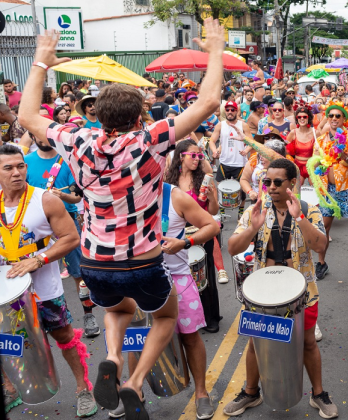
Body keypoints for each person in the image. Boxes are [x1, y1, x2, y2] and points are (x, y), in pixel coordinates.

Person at [18, 21, 225, 418]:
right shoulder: (149, 140)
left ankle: (112, 357)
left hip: (96, 261)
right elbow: (209, 101)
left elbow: (28, 115)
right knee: (165, 315)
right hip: (143, 260)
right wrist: (215, 49)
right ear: (139, 115)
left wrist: (41, 64)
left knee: (117, 310)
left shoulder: (77, 140)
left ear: (98, 114)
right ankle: (131, 381)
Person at [224, 159, 337, 418]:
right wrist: (252, 227)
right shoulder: (256, 209)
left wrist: (300, 218)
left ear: (292, 183)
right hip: (261, 292)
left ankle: (318, 394)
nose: (271, 187)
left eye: (277, 182)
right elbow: (232, 248)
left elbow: (320, 246)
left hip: (302, 290)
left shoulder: (309, 209)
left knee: (308, 343)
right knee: (255, 343)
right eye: (267, 182)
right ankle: (251, 393)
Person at [108, 181, 220, 419]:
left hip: (176, 279)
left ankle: (201, 393)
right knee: (135, 341)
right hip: (137, 281)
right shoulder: (121, 197)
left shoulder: (176, 197)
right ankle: (134, 392)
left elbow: (212, 225)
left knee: (190, 337)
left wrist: (185, 242)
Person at [0, 145, 97, 417]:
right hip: (7, 293)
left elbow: (71, 238)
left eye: (20, 166)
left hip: (44, 289)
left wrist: (38, 260)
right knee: (9, 343)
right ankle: (10, 389)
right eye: (8, 168)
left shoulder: (45, 200)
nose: (16, 172)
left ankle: (83, 389)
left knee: (64, 336)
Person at [24, 130, 101, 337]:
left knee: (78, 273)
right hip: (35, 226)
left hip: (66, 223)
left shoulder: (68, 161)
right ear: (32, 138)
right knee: (32, 273)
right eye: (37, 136)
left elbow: (77, 197)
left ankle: (88, 315)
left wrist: (62, 196)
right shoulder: (25, 162)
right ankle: (37, 325)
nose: (42, 140)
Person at [164, 139, 224, 332]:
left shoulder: (204, 179)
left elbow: (213, 211)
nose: (197, 159)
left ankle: (210, 317)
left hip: (201, 232)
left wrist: (213, 197)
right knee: (183, 276)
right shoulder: (169, 180)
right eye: (193, 155)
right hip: (177, 233)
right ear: (181, 156)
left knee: (205, 274)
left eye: (200, 155)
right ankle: (188, 314)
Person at [313, 101, 348, 279]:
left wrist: (344, 155)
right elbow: (315, 164)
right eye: (331, 115)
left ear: (343, 119)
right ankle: (321, 263)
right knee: (324, 226)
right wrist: (317, 163)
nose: (333, 118)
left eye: (337, 116)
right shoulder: (320, 140)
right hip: (328, 189)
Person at [210, 100, 253, 218]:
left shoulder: (243, 125)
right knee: (220, 189)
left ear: (236, 111)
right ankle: (222, 213)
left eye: (232, 110)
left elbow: (251, 142)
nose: (230, 112)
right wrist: (214, 151)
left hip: (240, 163)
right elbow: (212, 141)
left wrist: (246, 150)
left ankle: (240, 213)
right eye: (227, 110)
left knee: (242, 190)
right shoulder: (220, 125)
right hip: (224, 162)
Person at [286, 106, 317, 186]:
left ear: (309, 118)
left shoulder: (315, 133)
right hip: (297, 166)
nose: (302, 119)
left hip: (312, 166)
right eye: (299, 117)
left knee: (315, 191)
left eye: (304, 117)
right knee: (295, 191)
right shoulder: (293, 132)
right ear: (296, 119)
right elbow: (285, 150)